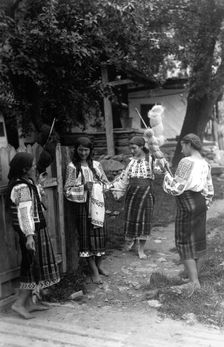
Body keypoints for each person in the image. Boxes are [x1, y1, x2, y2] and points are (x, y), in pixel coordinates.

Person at [7, 152, 60, 319]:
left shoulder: (28, 183)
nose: (35, 167)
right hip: (29, 232)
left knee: (35, 266)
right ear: (25, 169)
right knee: (30, 267)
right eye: (33, 165)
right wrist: (30, 236)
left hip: (36, 230)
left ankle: (29, 303)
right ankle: (18, 304)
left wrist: (38, 184)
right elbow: (24, 214)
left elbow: (38, 203)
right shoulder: (21, 187)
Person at [163, 133, 214, 294]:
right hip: (200, 202)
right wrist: (204, 203)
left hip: (187, 202)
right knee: (198, 240)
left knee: (184, 242)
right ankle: (193, 277)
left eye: (182, 146)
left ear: (189, 144)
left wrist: (166, 174)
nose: (181, 149)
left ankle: (194, 282)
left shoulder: (186, 162)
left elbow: (176, 188)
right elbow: (209, 189)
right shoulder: (205, 163)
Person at [64, 136, 110, 284]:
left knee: (100, 235)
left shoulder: (96, 165)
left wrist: (97, 187)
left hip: (97, 205)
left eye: (86, 150)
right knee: (87, 238)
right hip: (83, 207)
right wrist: (83, 188)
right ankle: (93, 270)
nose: (83, 153)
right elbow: (67, 190)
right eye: (80, 150)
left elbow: (106, 183)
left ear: (90, 151)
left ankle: (99, 265)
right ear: (76, 150)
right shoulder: (72, 167)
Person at [112, 135, 164, 259]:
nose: (132, 151)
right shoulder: (130, 161)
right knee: (132, 220)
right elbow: (124, 178)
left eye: (134, 148)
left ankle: (141, 249)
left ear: (141, 147)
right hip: (132, 194)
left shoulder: (151, 159)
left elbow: (159, 170)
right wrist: (117, 190)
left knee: (143, 221)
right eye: (130, 148)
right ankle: (132, 242)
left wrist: (160, 163)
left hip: (146, 194)